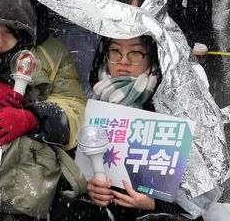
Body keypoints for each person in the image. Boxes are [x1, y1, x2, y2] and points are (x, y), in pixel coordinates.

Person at [0, 0, 87, 220]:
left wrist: (33, 117)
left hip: (28, 180)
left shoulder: (50, 53)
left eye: (8, 30)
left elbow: (74, 107)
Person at [75, 36, 196, 220]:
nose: (124, 60)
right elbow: (75, 168)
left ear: (152, 57)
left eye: (136, 52)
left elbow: (195, 192)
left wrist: (155, 204)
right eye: (115, 51)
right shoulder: (92, 99)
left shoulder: (173, 103)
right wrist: (88, 187)